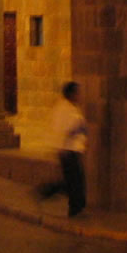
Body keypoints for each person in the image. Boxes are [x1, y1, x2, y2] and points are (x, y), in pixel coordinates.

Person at [36, 81, 87, 217]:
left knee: (74, 180)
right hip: (67, 151)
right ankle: (73, 207)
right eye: (77, 92)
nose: (79, 95)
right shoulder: (64, 108)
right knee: (74, 181)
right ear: (70, 93)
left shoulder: (71, 107)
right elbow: (63, 129)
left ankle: (52, 192)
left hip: (72, 150)